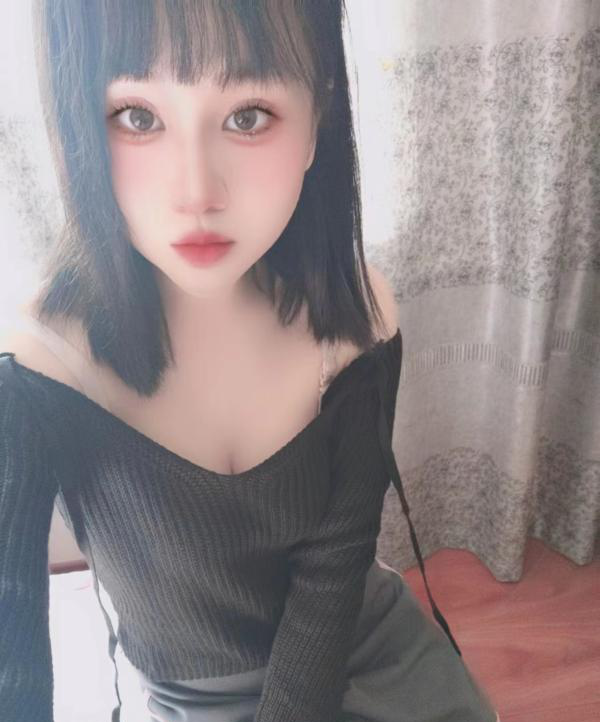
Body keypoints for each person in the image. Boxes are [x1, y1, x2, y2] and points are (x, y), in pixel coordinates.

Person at [0, 1, 500, 721]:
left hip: (362, 645)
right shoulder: (34, 368)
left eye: (248, 115)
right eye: (137, 116)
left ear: (316, 120)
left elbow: (336, 570)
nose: (196, 193)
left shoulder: (358, 321)